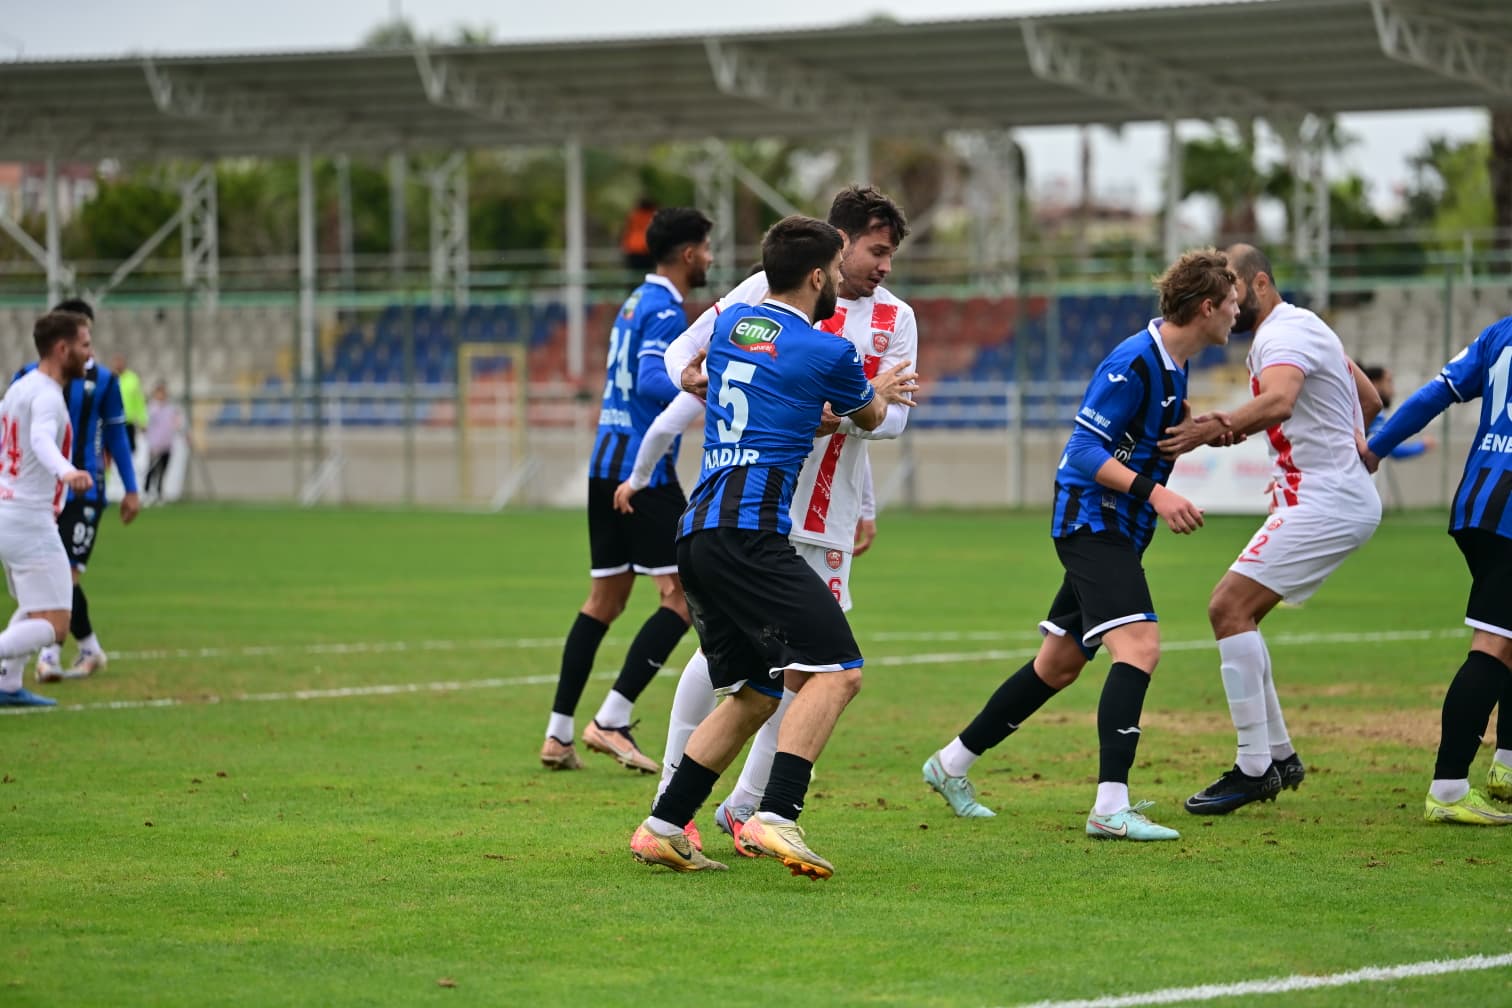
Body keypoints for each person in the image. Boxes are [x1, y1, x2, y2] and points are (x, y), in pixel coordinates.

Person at [622, 185, 915, 857]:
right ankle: (776, 812)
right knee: (838, 671)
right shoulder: (828, 352)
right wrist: (879, 392)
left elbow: (693, 366)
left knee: (754, 692)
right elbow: (871, 416)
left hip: (698, 528)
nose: (846, 281)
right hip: (752, 533)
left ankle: (663, 827)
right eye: (840, 269)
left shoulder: (729, 328)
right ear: (819, 275)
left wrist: (705, 382)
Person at [920, 247, 1236, 841]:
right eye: (1234, 304)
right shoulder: (1135, 361)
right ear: (1207, 306)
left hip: (1118, 526)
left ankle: (950, 764)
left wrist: (1194, 433)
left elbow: (1144, 436)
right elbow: (1083, 454)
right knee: (1139, 648)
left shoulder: (1174, 364)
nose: (1238, 315)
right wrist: (1158, 495)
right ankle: (1109, 808)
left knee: (1058, 664)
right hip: (1093, 523)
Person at [1158, 244, 1382, 815]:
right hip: (1325, 495)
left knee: (1225, 608)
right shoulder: (1300, 327)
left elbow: (1281, 402)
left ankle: (1254, 767)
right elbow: (1370, 398)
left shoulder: (1283, 335)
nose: (1226, 297)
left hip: (1324, 501)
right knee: (1242, 615)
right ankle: (1278, 757)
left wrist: (1217, 426)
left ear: (1259, 283)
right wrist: (1354, 442)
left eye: (1232, 284)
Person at [541, 208, 714, 773]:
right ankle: (612, 719)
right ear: (688, 254)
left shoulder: (634, 302)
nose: (711, 258)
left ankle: (558, 733)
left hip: (602, 462)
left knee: (605, 600)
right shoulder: (664, 309)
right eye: (707, 248)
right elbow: (648, 378)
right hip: (642, 473)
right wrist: (700, 380)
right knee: (683, 597)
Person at [1361, 317, 1512, 824]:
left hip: (1476, 504)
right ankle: (1448, 790)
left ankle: (1507, 768)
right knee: (1493, 642)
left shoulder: (1502, 332)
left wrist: (1377, 446)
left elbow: (1437, 392)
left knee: (1508, 636)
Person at [18, 299, 141, 683]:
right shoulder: (29, 379)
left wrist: (132, 489)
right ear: (62, 343)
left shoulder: (104, 381)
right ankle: (88, 646)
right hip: (39, 496)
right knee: (48, 578)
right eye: (81, 339)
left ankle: (50, 654)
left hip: (86, 491)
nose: (88, 348)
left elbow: (117, 434)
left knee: (65, 575)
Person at [0, 311, 95, 707]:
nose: (90, 356)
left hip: (8, 511)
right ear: (62, 349)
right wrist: (67, 470)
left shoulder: (20, 389)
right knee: (55, 624)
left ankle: (6, 685)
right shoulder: (48, 397)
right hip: (29, 520)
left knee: (34, 604)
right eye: (84, 346)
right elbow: (39, 438)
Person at [1362, 364, 1436, 460]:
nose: (1393, 391)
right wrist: (1422, 446)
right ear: (1375, 384)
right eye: (1388, 382)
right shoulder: (1374, 413)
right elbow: (1389, 447)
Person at [144, 381, 183, 504]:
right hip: (156, 445)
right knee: (152, 470)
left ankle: (159, 494)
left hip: (167, 445)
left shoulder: (171, 408)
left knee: (163, 471)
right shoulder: (152, 408)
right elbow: (147, 425)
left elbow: (176, 423)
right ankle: (147, 492)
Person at [111, 353, 148, 453]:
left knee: (130, 450)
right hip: (113, 422)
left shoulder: (132, 379)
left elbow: (139, 401)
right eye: (116, 361)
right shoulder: (110, 378)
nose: (118, 364)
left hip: (128, 421)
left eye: (120, 361)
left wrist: (142, 420)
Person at [620, 197, 658, 274]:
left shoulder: (634, 215)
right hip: (648, 247)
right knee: (647, 273)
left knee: (634, 274)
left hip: (634, 248)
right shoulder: (654, 215)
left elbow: (626, 230)